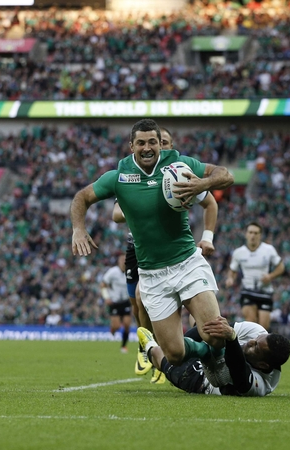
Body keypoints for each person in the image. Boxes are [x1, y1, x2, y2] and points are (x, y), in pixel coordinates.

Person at [72, 118, 233, 370]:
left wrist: (203, 183)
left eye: (152, 142)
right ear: (131, 146)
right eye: (140, 143)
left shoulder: (180, 165)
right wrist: (78, 230)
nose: (146, 148)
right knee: (175, 355)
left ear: (161, 144)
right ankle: (181, 351)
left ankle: (218, 358)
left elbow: (225, 175)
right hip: (152, 274)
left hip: (187, 264)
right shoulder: (118, 177)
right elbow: (82, 197)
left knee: (215, 335)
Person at [112, 126, 220, 383]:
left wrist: (207, 238)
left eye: (163, 143)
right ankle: (148, 346)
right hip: (140, 250)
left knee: (197, 311)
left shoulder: (180, 173)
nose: (159, 147)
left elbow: (210, 201)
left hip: (178, 253)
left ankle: (188, 349)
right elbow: (116, 213)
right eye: (151, 142)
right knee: (138, 300)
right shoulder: (130, 177)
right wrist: (143, 206)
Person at [137, 317, 290, 396]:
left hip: (205, 382)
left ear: (263, 365)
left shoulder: (264, 384)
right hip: (215, 353)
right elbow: (210, 328)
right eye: (256, 340)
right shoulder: (256, 331)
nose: (251, 341)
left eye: (256, 346)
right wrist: (183, 345)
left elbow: (239, 373)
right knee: (204, 327)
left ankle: (149, 345)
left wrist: (232, 339)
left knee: (162, 359)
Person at [225, 222, 285, 330]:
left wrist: (270, 276)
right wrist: (230, 279)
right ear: (246, 234)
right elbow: (232, 270)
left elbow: (281, 267)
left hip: (265, 291)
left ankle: (260, 345)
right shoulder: (239, 252)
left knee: (263, 327)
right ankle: (250, 346)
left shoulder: (268, 249)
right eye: (250, 232)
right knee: (251, 323)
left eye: (256, 233)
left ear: (260, 235)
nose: (253, 235)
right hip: (248, 291)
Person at [100, 253, 132, 353]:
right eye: (122, 259)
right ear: (118, 261)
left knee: (127, 324)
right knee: (117, 326)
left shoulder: (130, 271)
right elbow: (103, 285)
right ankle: (113, 330)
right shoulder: (112, 272)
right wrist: (106, 297)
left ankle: (123, 346)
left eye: (125, 259)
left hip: (126, 302)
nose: (123, 261)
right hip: (114, 302)